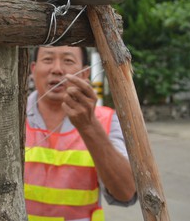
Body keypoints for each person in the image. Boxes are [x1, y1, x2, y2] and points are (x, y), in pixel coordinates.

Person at [24, 45, 137, 221]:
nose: (57, 69)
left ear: (85, 74)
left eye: (68, 60)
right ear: (32, 69)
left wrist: (89, 126)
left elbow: (126, 193)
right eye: (47, 59)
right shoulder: (9, 118)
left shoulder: (106, 119)